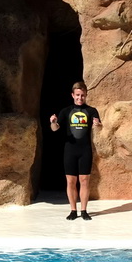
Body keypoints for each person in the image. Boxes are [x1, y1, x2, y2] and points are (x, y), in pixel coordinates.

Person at [50, 81, 102, 220]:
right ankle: (73, 210)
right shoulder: (66, 111)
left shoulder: (91, 111)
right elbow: (55, 129)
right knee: (71, 181)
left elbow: (98, 127)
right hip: (70, 150)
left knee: (84, 180)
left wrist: (97, 125)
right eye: (77, 95)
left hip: (85, 150)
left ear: (86, 95)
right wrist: (53, 122)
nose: (80, 98)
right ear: (73, 95)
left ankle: (84, 210)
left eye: (83, 95)